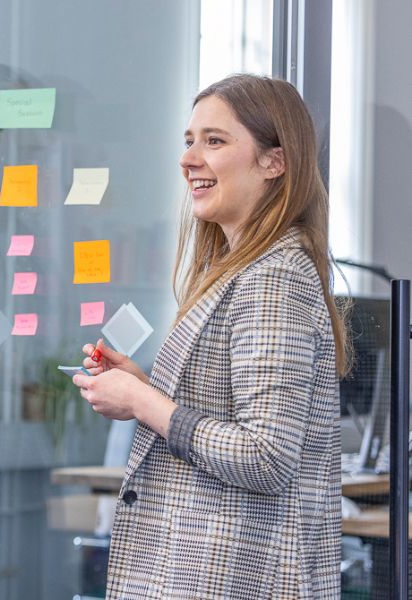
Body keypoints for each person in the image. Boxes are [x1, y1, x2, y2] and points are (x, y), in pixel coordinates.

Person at [73, 74, 349, 599]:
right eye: (189, 140)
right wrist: (143, 388)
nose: (189, 159)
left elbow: (265, 456)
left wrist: (144, 401)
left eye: (215, 141)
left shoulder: (272, 278)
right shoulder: (238, 268)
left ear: (275, 161)